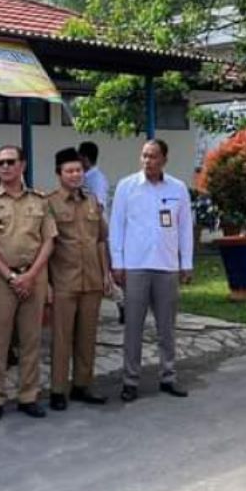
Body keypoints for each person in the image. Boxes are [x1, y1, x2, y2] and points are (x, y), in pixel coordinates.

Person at [109, 139, 193, 402]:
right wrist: (117, 262)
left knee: (166, 327)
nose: (147, 161)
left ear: (164, 160)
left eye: (153, 156)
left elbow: (184, 228)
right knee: (133, 327)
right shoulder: (127, 187)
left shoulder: (178, 189)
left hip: (166, 266)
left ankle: (168, 376)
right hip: (135, 267)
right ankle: (130, 380)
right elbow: (116, 227)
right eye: (144, 156)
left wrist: (186, 262)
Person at [0, 145, 56, 421]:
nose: (5, 167)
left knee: (31, 340)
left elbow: (48, 241)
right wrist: (12, 277)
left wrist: (31, 275)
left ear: (22, 165)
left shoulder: (40, 200)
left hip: (34, 276)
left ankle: (28, 396)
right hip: (2, 279)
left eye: (11, 162)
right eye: (0, 162)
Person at [47, 148, 112, 410]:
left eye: (78, 170)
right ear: (59, 174)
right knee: (62, 338)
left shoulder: (92, 201)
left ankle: (82, 385)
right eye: (69, 171)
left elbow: (100, 241)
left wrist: (106, 273)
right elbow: (46, 246)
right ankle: (58, 389)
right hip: (64, 281)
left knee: (87, 337)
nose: (75, 175)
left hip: (92, 281)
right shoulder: (49, 203)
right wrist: (48, 285)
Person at [79, 141, 121, 323]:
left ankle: (122, 302)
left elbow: (98, 206)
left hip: (97, 233)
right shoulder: (86, 177)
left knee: (103, 272)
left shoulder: (96, 179)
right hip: (88, 232)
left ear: (85, 158)